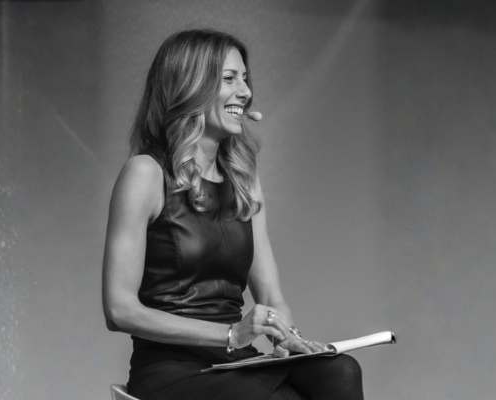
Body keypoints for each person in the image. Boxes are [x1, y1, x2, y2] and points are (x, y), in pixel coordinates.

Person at [102, 29, 363, 400]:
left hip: (235, 361)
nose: (246, 91)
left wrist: (288, 337)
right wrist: (230, 334)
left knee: (341, 370)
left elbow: (270, 295)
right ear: (189, 86)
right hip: (171, 371)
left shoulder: (243, 178)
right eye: (229, 79)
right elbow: (119, 309)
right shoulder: (145, 173)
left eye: (244, 78)